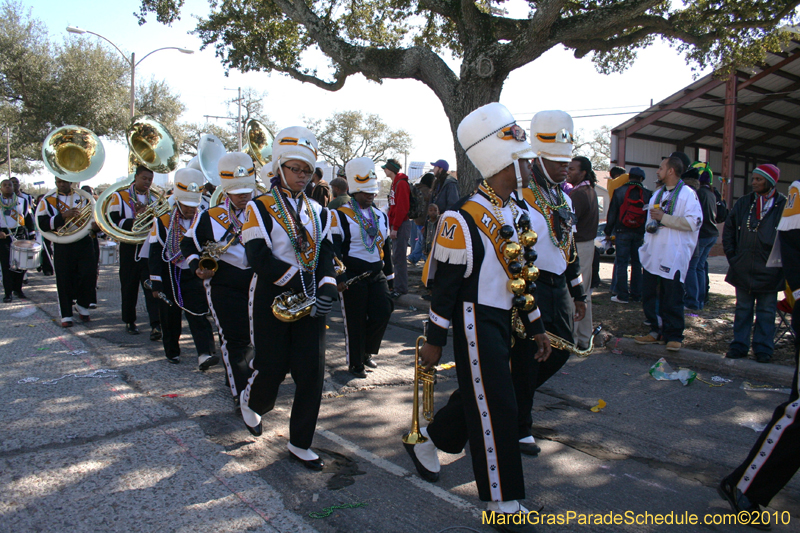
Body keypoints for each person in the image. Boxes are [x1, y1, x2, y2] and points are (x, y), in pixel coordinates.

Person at [407, 103, 547, 529]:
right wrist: (434, 341)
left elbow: (521, 278)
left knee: (489, 398)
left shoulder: (516, 211)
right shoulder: (461, 217)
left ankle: (429, 440)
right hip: (473, 318)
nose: (530, 167)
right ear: (505, 163)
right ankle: (501, 502)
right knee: (497, 407)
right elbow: (445, 290)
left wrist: (538, 327)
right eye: (524, 161)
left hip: (505, 319)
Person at [240, 126, 338, 471]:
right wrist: (303, 281)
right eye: (295, 169)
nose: (301, 175)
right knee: (272, 367)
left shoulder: (320, 211)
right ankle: (251, 400)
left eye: (307, 170)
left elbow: (326, 253)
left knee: (312, 372)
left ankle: (300, 442)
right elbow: (258, 257)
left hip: (311, 298)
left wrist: (327, 286)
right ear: (279, 168)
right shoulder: (259, 207)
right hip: (274, 295)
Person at [717, 179, 800, 524]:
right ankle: (746, 488)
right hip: (753, 270)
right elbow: (791, 243)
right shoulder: (793, 195)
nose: (754, 182)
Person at [514, 110, 586, 456]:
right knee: (529, 357)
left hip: (559, 288)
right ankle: (520, 426)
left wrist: (578, 291)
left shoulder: (565, 199)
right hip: (532, 285)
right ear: (537, 159)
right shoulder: (520, 198)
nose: (564, 168)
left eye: (566, 162)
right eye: (557, 162)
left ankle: (512, 397)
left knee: (563, 350)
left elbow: (568, 249)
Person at [183, 153, 256, 404]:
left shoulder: (264, 211)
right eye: (237, 192)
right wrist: (197, 266)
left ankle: (237, 377)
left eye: (247, 190)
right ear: (226, 191)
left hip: (258, 283)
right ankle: (242, 396)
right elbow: (187, 244)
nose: (243, 196)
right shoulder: (210, 216)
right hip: (225, 284)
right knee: (233, 339)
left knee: (254, 339)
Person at [331, 157, 394, 379]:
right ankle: (356, 362)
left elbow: (386, 247)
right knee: (355, 320)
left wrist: (390, 277)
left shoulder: (380, 216)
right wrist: (339, 276)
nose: (371, 195)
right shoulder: (339, 215)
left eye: (373, 192)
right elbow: (334, 249)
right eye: (366, 192)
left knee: (383, 311)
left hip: (376, 273)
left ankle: (367, 351)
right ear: (354, 191)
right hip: (352, 275)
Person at [634, 152, 702, 351]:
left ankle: (674, 335)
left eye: (661, 168)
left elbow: (694, 222)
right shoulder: (658, 194)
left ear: (671, 171)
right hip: (654, 252)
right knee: (650, 294)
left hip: (674, 253)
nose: (658, 171)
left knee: (672, 296)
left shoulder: (687, 194)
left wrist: (664, 218)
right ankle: (656, 331)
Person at [148, 168, 216, 367]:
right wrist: (156, 283)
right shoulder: (162, 221)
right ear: (177, 201)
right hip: (170, 272)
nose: (190, 210)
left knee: (198, 313)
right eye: (186, 206)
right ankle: (172, 351)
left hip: (194, 273)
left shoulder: (202, 219)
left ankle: (205, 353)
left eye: (193, 206)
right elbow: (155, 254)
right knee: (169, 315)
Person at [723, 164, 786, 364]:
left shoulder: (783, 205)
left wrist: (782, 264)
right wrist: (734, 258)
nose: (754, 183)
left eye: (759, 179)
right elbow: (729, 229)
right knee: (743, 309)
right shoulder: (744, 202)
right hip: (743, 268)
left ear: (770, 181)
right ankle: (739, 346)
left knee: (766, 311)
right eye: (753, 179)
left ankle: (763, 349)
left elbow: (790, 237)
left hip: (770, 270)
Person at [108, 165, 162, 339]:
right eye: (144, 178)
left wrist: (150, 216)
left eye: (150, 179)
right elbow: (113, 221)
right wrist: (135, 219)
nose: (147, 182)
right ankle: (129, 320)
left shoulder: (155, 198)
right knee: (129, 285)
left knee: (151, 285)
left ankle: (156, 324)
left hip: (149, 246)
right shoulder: (120, 196)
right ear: (136, 177)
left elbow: (162, 220)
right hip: (129, 246)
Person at [35, 178, 95, 326]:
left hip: (84, 241)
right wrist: (63, 216)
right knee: (64, 279)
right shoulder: (48, 200)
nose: (61, 184)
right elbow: (42, 224)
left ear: (70, 181)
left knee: (89, 275)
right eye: (58, 181)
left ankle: (82, 304)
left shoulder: (84, 197)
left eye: (64, 181)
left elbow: (94, 217)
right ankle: (66, 314)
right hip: (62, 242)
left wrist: (96, 227)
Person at [604, 167, 651, 303]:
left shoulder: (619, 191)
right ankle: (636, 295)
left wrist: (608, 232)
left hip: (622, 231)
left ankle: (622, 295)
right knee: (637, 263)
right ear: (641, 179)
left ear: (629, 177)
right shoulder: (647, 194)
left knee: (622, 263)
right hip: (639, 233)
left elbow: (612, 213)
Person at [566, 156, 598, 350]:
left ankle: (573, 338)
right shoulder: (589, 190)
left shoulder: (578, 194)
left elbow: (567, 223)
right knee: (583, 294)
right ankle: (584, 338)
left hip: (579, 246)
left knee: (575, 294)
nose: (568, 172)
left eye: (572, 169)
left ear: (583, 172)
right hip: (587, 245)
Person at [683, 163, 720, 311]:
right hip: (712, 233)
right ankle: (701, 299)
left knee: (692, 267)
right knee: (700, 267)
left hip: (702, 234)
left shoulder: (697, 193)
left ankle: (692, 300)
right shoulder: (711, 193)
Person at [1, 178, 34, 303]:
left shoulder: (23, 201)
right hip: (4, 235)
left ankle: (18, 289)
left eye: (9, 185)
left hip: (19, 233)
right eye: (5, 185)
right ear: (1, 188)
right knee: (7, 265)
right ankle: (8, 293)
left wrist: (31, 235)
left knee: (21, 264)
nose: (8, 187)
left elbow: (28, 218)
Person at [384, 158, 412, 298]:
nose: (384, 170)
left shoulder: (401, 183)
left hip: (401, 225)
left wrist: (395, 227)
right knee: (396, 257)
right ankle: (398, 286)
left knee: (399, 258)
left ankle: (400, 288)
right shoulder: (395, 182)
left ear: (391, 169)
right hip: (397, 224)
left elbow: (402, 208)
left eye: (386, 167)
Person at [408, 172, 434, 264]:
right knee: (424, 239)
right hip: (424, 219)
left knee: (421, 239)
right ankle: (418, 257)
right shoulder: (427, 191)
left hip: (418, 218)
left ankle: (413, 257)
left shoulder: (418, 188)